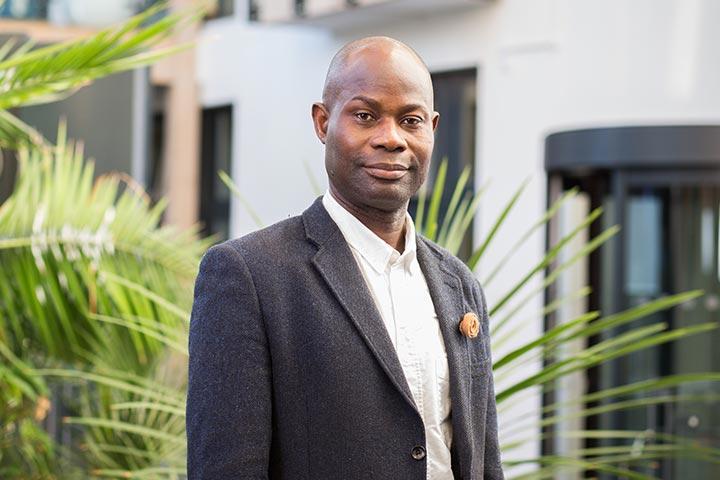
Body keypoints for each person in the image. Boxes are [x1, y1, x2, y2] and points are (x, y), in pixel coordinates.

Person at [186, 36, 503, 480]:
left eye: (410, 120)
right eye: (366, 116)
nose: (391, 139)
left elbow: (483, 463)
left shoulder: (459, 285)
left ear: (432, 128)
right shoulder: (249, 277)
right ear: (323, 122)